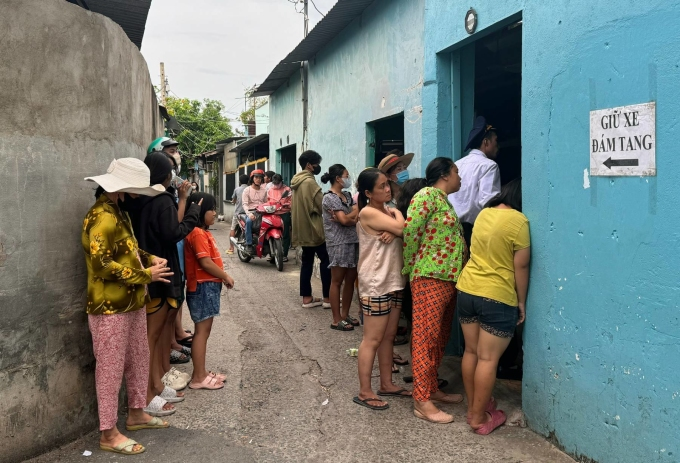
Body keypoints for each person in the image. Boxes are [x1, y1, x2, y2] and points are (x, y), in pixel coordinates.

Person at [82, 158, 174, 455]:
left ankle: (136, 413)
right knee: (110, 368)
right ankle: (108, 433)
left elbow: (129, 250)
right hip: (109, 307)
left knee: (137, 356)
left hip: (132, 300)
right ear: (122, 188)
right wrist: (146, 274)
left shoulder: (117, 212)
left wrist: (149, 259)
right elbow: (101, 264)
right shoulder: (102, 217)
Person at [124, 153, 202, 416]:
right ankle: (145, 394)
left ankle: (156, 384)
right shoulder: (160, 199)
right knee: (151, 338)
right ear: (167, 176)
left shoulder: (139, 200)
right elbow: (172, 233)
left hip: (152, 270)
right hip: (158, 273)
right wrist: (192, 211)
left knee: (157, 337)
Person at [457, 179, 529, 435]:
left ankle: (475, 406)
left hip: (467, 290)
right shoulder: (519, 222)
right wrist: (521, 301)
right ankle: (478, 418)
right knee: (488, 358)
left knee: (471, 353)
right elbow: (520, 266)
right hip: (496, 297)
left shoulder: (484, 213)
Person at [403, 157, 466, 424]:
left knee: (439, 336)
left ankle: (431, 389)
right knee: (425, 338)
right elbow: (411, 233)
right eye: (456, 172)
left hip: (447, 277)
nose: (460, 177)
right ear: (443, 174)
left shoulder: (444, 201)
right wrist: (412, 269)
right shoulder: (426, 195)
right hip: (430, 276)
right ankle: (421, 400)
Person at [353, 168, 411, 411]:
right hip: (376, 283)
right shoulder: (368, 212)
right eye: (381, 187)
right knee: (372, 339)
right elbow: (406, 229)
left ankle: (386, 383)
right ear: (368, 193)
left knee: (388, 337)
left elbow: (401, 231)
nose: (387, 189)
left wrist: (394, 227)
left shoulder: (385, 211)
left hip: (393, 281)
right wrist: (397, 219)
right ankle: (365, 391)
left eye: (388, 185)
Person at [184, 193, 235, 389]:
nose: (215, 213)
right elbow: (205, 262)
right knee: (201, 332)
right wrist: (225, 276)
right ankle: (198, 377)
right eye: (211, 209)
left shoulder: (202, 232)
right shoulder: (196, 232)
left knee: (204, 331)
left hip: (208, 286)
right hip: (203, 287)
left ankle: (202, 372)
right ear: (200, 210)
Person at [448, 116, 501, 248]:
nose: (498, 146)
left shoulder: (457, 164)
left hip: (452, 231)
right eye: (495, 141)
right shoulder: (488, 166)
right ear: (486, 142)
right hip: (474, 232)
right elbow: (489, 203)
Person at [291, 150, 331, 309]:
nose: (318, 167)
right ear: (309, 165)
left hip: (302, 229)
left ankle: (306, 298)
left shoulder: (297, 181)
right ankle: (328, 298)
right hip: (314, 229)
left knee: (306, 262)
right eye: (316, 164)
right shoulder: (310, 183)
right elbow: (322, 206)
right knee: (327, 260)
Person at [320, 164, 359, 331]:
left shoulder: (347, 195)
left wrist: (348, 217)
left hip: (353, 241)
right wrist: (350, 217)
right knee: (337, 281)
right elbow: (345, 221)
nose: (348, 178)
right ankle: (336, 319)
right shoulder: (329, 198)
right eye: (346, 175)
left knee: (350, 280)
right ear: (337, 178)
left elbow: (353, 215)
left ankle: (345, 314)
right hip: (338, 243)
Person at [266, 174, 292, 261]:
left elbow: (291, 201)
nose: (276, 185)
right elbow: (267, 201)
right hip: (273, 213)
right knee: (269, 232)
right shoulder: (270, 190)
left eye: (278, 183)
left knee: (285, 234)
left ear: (281, 182)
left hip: (284, 213)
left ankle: (284, 254)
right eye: (275, 183)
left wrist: (285, 204)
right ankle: (272, 253)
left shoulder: (287, 190)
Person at [241, 170, 268, 254]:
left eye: (260, 178)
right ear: (252, 178)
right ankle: (249, 244)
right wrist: (249, 214)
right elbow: (244, 204)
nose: (258, 179)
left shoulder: (264, 190)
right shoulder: (247, 190)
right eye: (256, 177)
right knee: (249, 222)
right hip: (251, 212)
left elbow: (266, 202)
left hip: (261, 212)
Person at [227, 174, 250, 255]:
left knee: (233, 229)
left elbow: (233, 200)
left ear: (239, 182)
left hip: (238, 213)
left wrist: (234, 201)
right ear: (248, 181)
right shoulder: (250, 189)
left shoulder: (237, 189)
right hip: (249, 213)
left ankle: (231, 248)